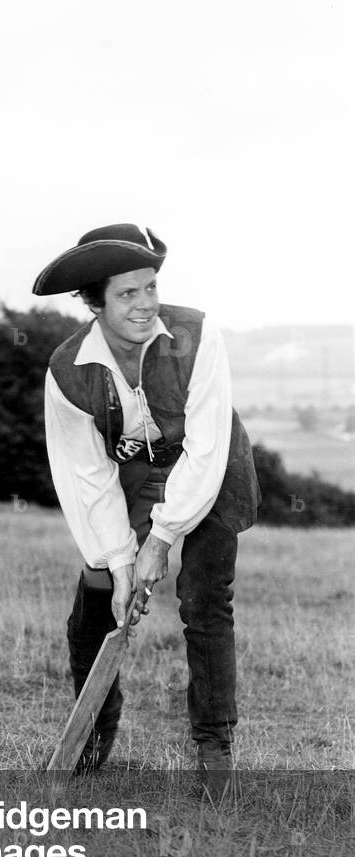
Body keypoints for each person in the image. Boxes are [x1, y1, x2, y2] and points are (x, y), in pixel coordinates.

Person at [32, 224, 260, 780]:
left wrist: (161, 539)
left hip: (211, 465)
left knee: (206, 599)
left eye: (150, 287)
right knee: (98, 597)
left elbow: (206, 448)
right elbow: (87, 477)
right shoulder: (67, 372)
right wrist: (119, 559)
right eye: (127, 294)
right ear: (95, 302)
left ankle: (213, 747)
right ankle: (92, 732)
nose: (145, 304)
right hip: (133, 477)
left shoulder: (198, 334)